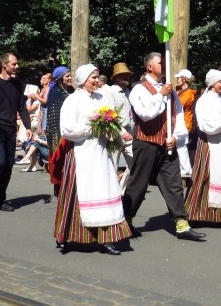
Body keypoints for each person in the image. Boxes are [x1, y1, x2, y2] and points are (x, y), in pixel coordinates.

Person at [122, 52, 206, 241]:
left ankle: (181, 224)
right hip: (145, 143)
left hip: (167, 144)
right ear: (149, 67)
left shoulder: (170, 90)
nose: (165, 66)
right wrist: (160, 95)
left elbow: (178, 115)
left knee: (173, 184)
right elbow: (145, 114)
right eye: (161, 63)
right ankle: (126, 221)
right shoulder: (139, 89)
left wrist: (176, 136)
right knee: (138, 185)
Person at [54, 64, 131, 255]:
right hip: (81, 153)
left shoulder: (102, 98)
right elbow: (67, 130)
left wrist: (121, 132)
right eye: (93, 78)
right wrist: (92, 128)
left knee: (104, 191)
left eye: (97, 77)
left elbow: (113, 121)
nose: (97, 81)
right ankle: (64, 235)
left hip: (101, 152)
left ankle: (105, 240)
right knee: (77, 195)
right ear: (82, 80)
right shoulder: (73, 101)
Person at [185, 69, 221, 227]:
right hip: (211, 143)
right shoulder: (205, 101)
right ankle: (198, 213)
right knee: (208, 176)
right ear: (212, 83)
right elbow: (206, 124)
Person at [0, 53, 31, 214]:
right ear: (5, 64)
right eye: (14, 64)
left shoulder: (17, 84)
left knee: (9, 166)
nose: (17, 66)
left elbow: (22, 107)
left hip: (10, 129)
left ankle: (0, 199)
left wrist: (28, 126)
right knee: (0, 162)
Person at [45, 66, 73, 200]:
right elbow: (54, 114)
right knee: (58, 160)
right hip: (58, 131)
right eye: (67, 76)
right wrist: (58, 134)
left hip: (71, 130)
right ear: (60, 78)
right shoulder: (55, 91)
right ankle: (58, 186)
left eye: (70, 75)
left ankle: (68, 186)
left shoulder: (72, 91)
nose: (70, 78)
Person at [109, 62, 135, 193]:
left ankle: (121, 191)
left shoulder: (127, 91)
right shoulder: (110, 91)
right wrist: (121, 131)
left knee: (136, 163)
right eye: (122, 75)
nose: (125, 77)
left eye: (127, 75)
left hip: (129, 133)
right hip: (115, 134)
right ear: (116, 77)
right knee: (112, 165)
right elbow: (109, 116)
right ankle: (113, 194)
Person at [175, 69, 198, 170]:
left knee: (182, 148)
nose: (177, 79)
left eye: (179, 78)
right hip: (178, 123)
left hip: (184, 124)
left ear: (184, 79)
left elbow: (177, 106)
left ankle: (186, 170)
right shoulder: (179, 91)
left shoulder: (188, 93)